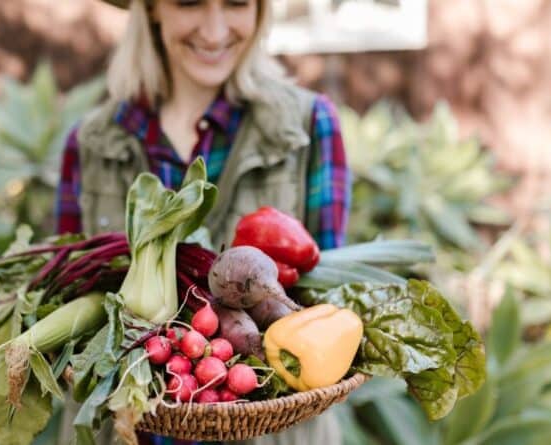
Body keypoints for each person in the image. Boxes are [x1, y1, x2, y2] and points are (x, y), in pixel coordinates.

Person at [54, 0, 350, 444]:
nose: (214, 31)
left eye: (236, 3)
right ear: (152, 9)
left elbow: (327, 304)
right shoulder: (90, 142)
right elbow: (66, 296)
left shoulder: (309, 126)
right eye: (189, 2)